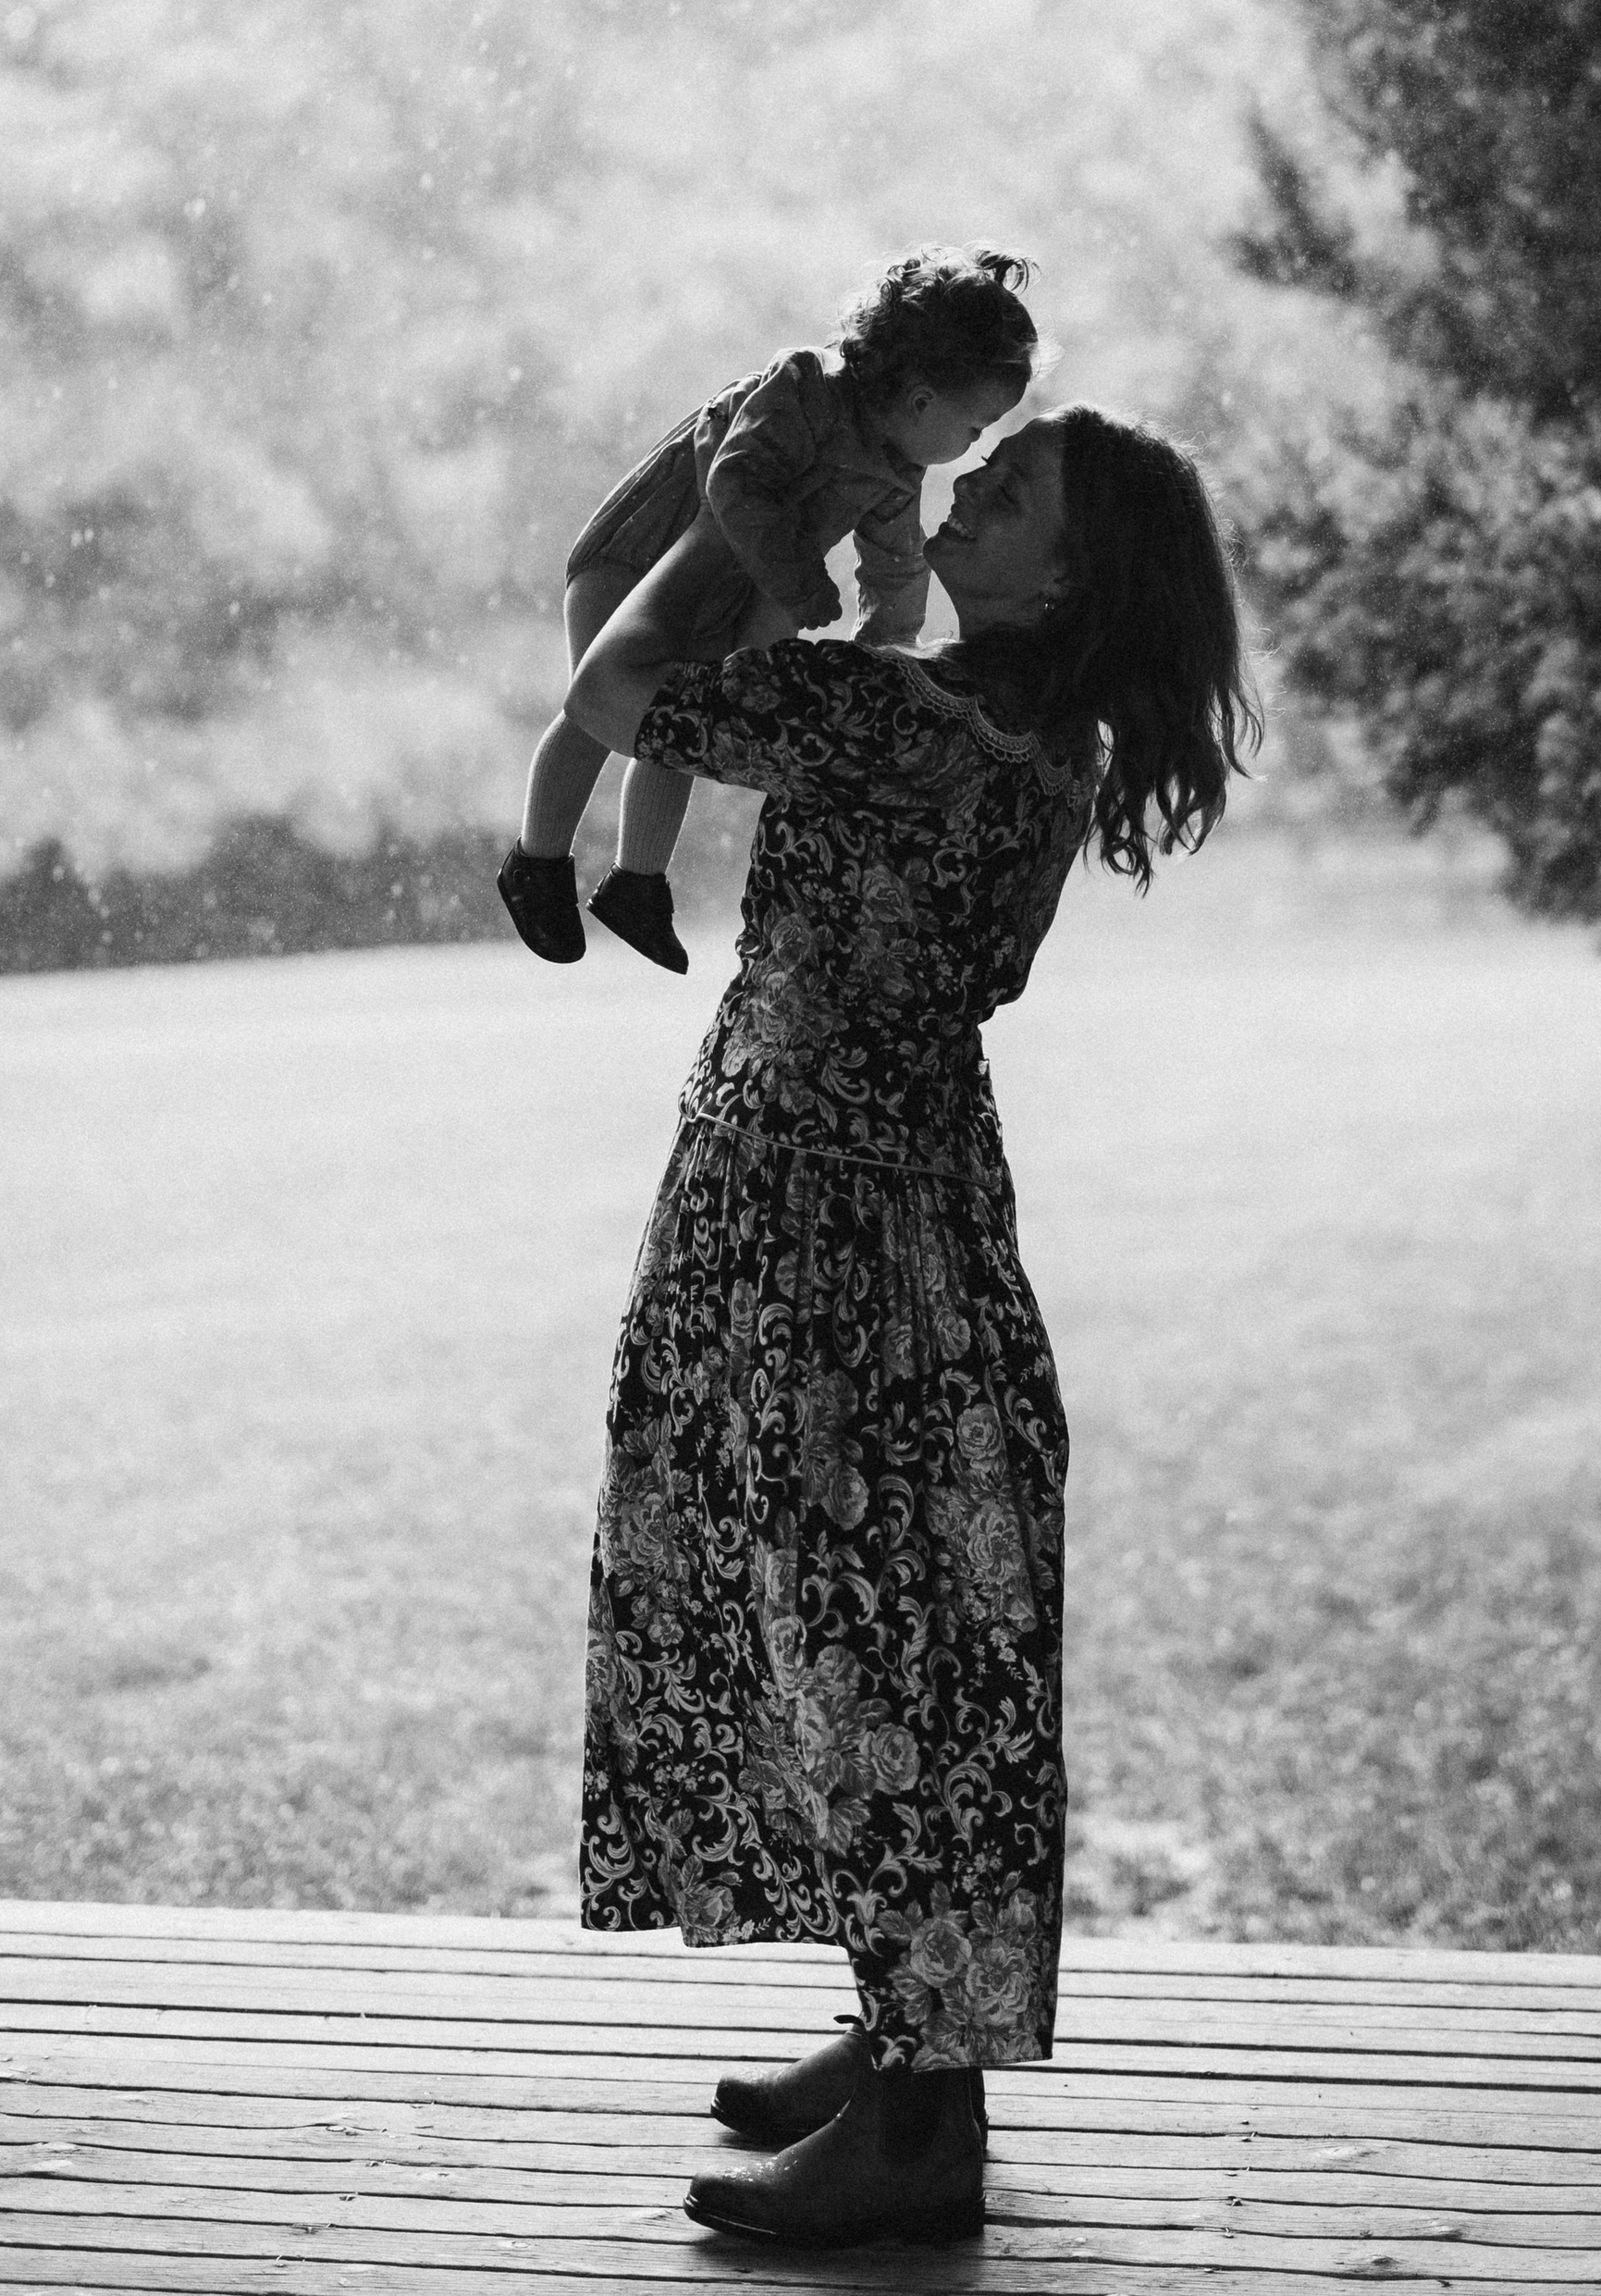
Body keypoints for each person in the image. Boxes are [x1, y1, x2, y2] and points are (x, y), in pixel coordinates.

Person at [562, 402, 1257, 2249]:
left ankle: (921, 2125)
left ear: (1070, 571)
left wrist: (719, 513)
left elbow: (615, 679)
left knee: (860, 1623)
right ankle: (899, 2040)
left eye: (1015, 488)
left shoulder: (895, 722)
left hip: (818, 1205)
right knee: (891, 1612)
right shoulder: (1037, 729)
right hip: (896, 1183)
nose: (973, 485)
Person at [498, 249, 1038, 976]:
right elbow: (736, 483)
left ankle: (638, 884)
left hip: (718, 595)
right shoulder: (803, 388)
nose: (972, 445)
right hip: (641, 555)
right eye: (974, 427)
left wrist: (885, 653)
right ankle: (537, 861)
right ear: (919, 399)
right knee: (594, 709)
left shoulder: (895, 468)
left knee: (675, 727)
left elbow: (896, 565)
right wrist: (801, 580)